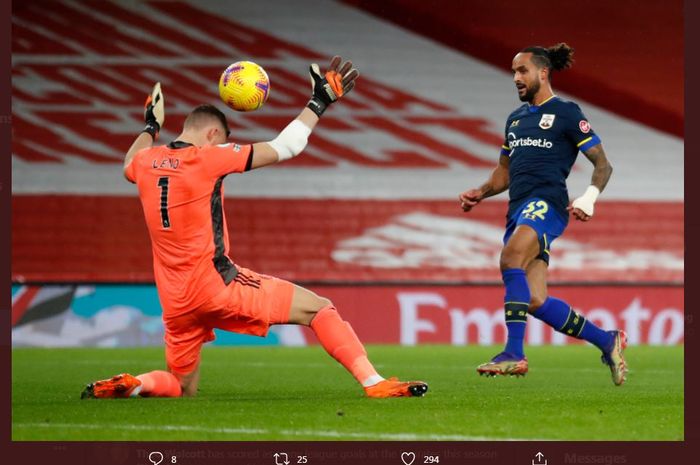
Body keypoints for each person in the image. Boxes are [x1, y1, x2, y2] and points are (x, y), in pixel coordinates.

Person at [81, 56, 428, 399]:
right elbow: (287, 147)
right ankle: (374, 383)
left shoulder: (146, 161)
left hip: (174, 300)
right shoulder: (207, 157)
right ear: (213, 133)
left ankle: (137, 384)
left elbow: (128, 161)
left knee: (182, 387)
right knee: (318, 308)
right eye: (221, 139)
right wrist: (318, 101)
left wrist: (150, 126)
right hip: (216, 285)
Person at [459, 43, 628, 385]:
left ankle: (513, 353)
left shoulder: (566, 112)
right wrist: (481, 191)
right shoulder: (516, 119)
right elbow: (503, 174)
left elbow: (602, 164)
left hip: (546, 204)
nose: (516, 78)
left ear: (543, 72)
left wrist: (589, 198)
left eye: (522, 71)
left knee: (510, 259)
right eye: (513, 73)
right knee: (534, 299)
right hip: (518, 208)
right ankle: (606, 340)